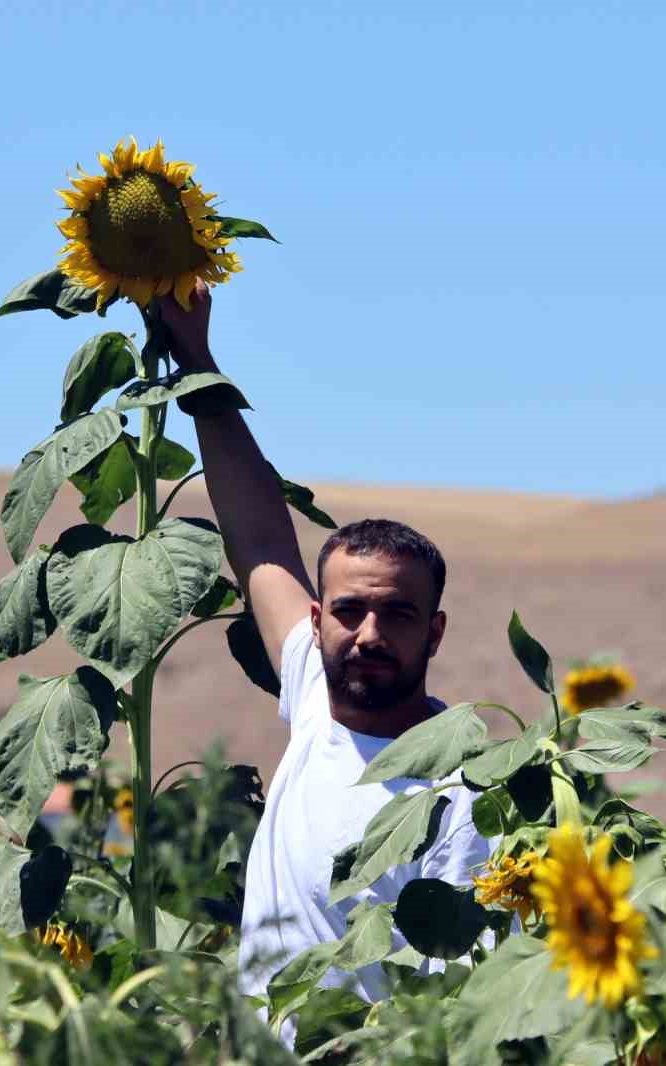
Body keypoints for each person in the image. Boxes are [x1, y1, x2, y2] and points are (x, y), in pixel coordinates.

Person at [159, 284, 490, 1034]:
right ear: (317, 621)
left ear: (435, 634)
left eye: (398, 615)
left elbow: (455, 1005)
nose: (369, 634)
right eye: (348, 611)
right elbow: (262, 541)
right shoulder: (314, 692)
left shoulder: (462, 791)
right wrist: (195, 358)